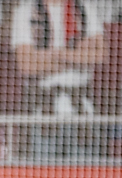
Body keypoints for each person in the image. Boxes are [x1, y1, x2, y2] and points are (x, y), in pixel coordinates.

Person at [11, 0, 107, 158]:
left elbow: (101, 53)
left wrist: (56, 54)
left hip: (80, 108)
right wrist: (78, 55)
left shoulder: (84, 8)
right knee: (43, 172)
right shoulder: (26, 11)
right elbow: (26, 64)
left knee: (83, 174)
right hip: (43, 110)